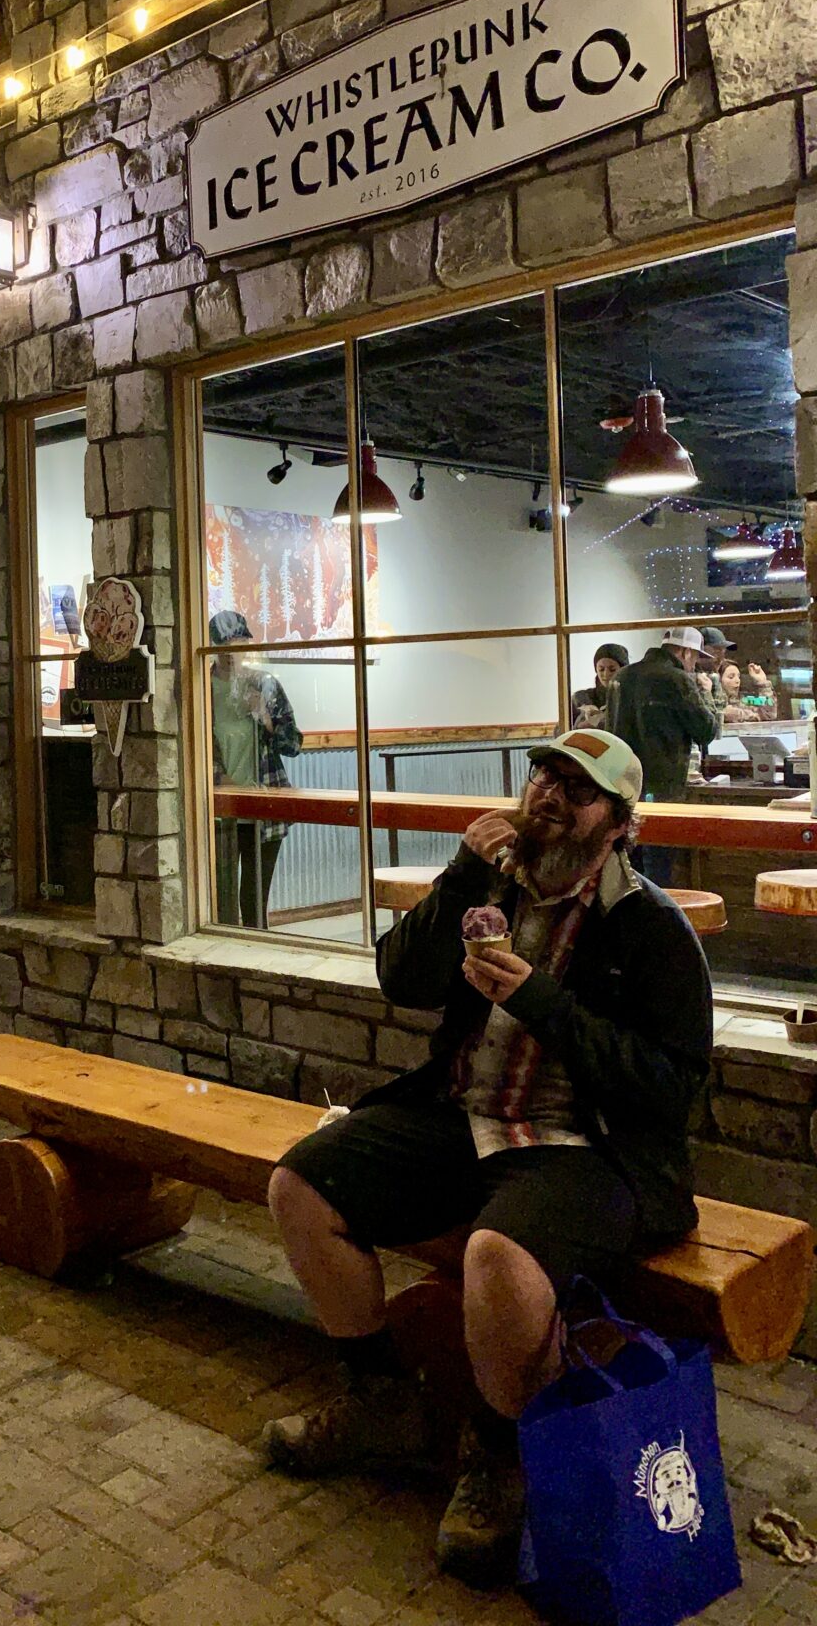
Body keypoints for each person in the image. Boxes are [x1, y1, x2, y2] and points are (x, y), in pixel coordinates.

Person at [261, 729, 711, 1589]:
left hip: (585, 1149)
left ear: (617, 823)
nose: (548, 793)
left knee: (495, 1259)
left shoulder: (649, 926)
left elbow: (669, 1085)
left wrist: (541, 1001)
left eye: (576, 788)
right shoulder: (490, 889)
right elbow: (402, 977)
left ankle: (502, 1458)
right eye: (543, 773)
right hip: (461, 1118)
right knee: (300, 1181)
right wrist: (460, 874)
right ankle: (381, 1398)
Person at [604, 626, 720, 885]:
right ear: (685, 652)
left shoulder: (621, 677)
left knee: (628, 870)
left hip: (622, 789)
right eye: (695, 657)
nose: (694, 665)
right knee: (658, 873)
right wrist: (706, 693)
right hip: (663, 790)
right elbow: (706, 730)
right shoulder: (677, 679)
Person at [208, 610, 302, 929]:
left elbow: (293, 744)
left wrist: (265, 717)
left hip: (264, 806)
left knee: (254, 899)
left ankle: (257, 955)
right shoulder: (202, 689)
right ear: (213, 647)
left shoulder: (264, 685)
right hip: (221, 808)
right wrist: (220, 777)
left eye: (239, 643)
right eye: (225, 645)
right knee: (219, 900)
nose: (233, 652)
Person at [570, 643, 628, 727]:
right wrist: (579, 726)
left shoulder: (631, 699)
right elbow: (560, 729)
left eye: (612, 669)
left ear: (622, 670)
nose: (606, 674)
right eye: (601, 669)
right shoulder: (581, 698)